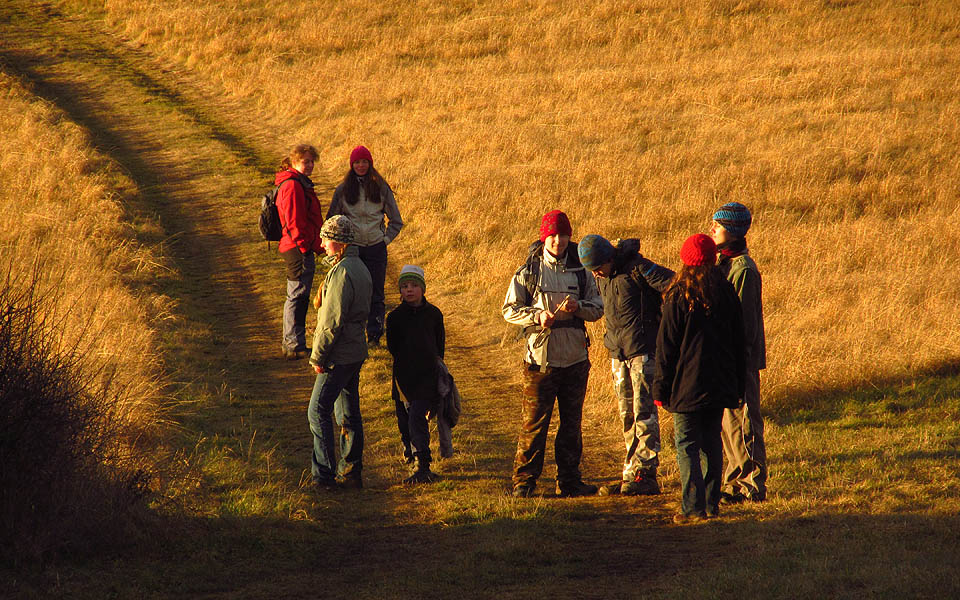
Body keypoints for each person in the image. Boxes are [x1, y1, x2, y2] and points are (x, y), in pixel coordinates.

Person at [502, 210, 604, 498]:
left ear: (570, 237)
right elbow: (508, 310)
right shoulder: (528, 272)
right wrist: (537, 317)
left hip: (575, 360)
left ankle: (570, 482)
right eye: (552, 235)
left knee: (571, 425)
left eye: (563, 235)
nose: (558, 241)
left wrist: (579, 308)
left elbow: (598, 307)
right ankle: (524, 483)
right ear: (543, 237)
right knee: (534, 425)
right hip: (539, 363)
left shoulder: (583, 271)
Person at [653, 234, 745, 523]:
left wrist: (660, 387)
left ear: (685, 261)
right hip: (719, 384)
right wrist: (738, 385)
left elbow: (665, 347)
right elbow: (739, 343)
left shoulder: (679, 295)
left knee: (687, 445)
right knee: (711, 444)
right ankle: (711, 503)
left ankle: (692, 507)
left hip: (686, 387)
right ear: (712, 259)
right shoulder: (727, 293)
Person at [578, 234, 674, 496]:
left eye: (598, 267)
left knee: (644, 412)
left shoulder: (639, 268)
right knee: (627, 415)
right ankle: (631, 471)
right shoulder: (603, 276)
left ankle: (646, 473)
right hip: (617, 354)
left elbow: (675, 285)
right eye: (592, 270)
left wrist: (664, 324)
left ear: (609, 258)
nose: (596, 274)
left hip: (643, 352)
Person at [307, 215, 372, 490]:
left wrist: (318, 357)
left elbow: (331, 322)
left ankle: (324, 475)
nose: (321, 244)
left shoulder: (343, 271)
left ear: (339, 242)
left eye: (325, 239)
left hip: (339, 354)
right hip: (355, 350)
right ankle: (351, 470)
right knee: (347, 411)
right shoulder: (359, 266)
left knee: (317, 411)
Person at [710, 202, 768, 504]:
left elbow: (744, 325)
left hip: (739, 360)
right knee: (729, 425)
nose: (712, 230)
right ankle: (734, 483)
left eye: (717, 226)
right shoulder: (724, 263)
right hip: (726, 359)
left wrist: (735, 361)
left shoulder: (743, 268)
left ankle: (751, 484)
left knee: (745, 423)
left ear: (732, 232)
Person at [326, 145, 403, 346]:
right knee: (353, 292)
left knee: (376, 293)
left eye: (364, 162)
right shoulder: (343, 190)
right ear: (352, 165)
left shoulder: (381, 187)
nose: (361, 166)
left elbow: (396, 220)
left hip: (376, 248)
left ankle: (374, 335)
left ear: (370, 164)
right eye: (357, 162)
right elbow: (332, 220)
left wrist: (384, 240)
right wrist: (341, 246)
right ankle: (354, 333)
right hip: (352, 250)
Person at [386, 265, 448, 484]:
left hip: (426, 378)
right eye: (404, 286)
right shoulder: (394, 317)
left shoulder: (433, 314)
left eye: (413, 286)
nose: (409, 290)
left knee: (416, 419)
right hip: (402, 379)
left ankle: (423, 464)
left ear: (422, 289)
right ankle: (410, 455)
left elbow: (439, 346)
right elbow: (392, 347)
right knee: (404, 420)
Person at [276, 143, 325, 360]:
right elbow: (295, 222)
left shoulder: (297, 183)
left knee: (298, 295)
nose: (310, 165)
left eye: (312, 161)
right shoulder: (293, 185)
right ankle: (293, 344)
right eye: (305, 161)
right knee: (297, 296)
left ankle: (294, 342)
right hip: (298, 247)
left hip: (297, 245)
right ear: (294, 162)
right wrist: (308, 247)